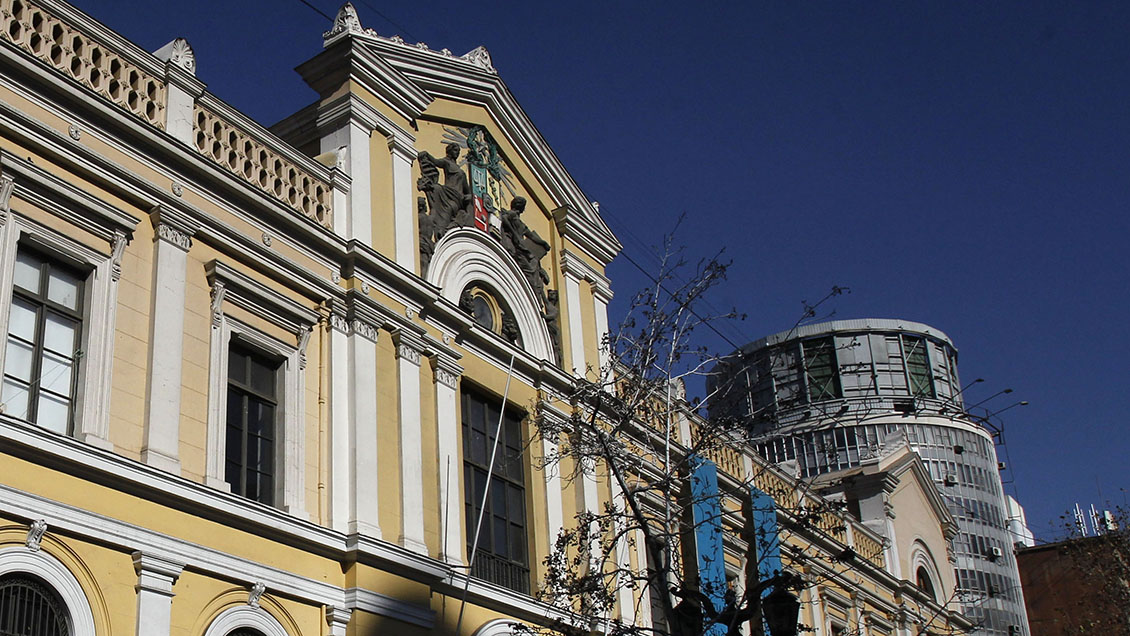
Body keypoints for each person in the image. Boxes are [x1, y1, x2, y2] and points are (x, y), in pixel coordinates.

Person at [417, 143, 472, 234]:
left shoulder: (460, 171)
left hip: (458, 197)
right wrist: (427, 154)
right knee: (437, 190)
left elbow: (467, 190)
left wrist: (468, 196)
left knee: (450, 208)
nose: (457, 153)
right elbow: (436, 162)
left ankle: (443, 228)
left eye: (458, 151)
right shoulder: (447, 162)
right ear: (449, 151)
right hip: (448, 193)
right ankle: (441, 229)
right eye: (455, 150)